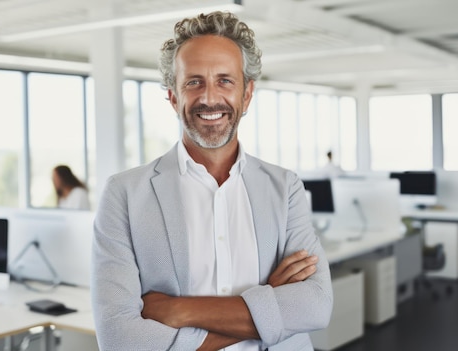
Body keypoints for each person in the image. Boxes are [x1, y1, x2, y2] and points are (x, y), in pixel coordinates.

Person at [91, 11, 332, 351]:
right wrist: (271, 302)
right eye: (193, 82)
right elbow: (120, 339)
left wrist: (179, 310)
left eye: (224, 80)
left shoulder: (284, 187)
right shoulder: (125, 194)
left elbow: (315, 306)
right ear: (173, 97)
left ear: (246, 94)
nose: (209, 98)